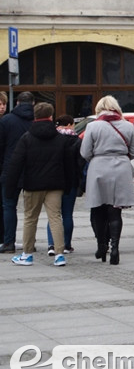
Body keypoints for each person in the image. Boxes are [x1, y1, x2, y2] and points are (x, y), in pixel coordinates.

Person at [7, 103, 78, 267]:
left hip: (32, 185)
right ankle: (59, 255)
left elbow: (16, 164)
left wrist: (11, 188)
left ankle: (27, 254)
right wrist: (68, 185)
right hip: (55, 184)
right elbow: (68, 164)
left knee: (30, 218)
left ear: (35, 117)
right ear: (51, 117)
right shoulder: (61, 139)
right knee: (55, 218)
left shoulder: (26, 138)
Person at [81, 95, 134, 266]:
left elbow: (85, 152)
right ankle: (115, 247)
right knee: (115, 211)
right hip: (120, 167)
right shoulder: (127, 126)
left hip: (98, 167)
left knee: (97, 209)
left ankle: (101, 244)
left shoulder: (92, 126)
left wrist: (98, 156)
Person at [0, 91, 35, 253]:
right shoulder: (37, 121)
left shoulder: (7, 120)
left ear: (17, 103)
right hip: (33, 170)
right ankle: (30, 243)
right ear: (33, 103)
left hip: (10, 170)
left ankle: (8, 243)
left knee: (8, 206)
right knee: (32, 210)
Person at [46, 115, 82, 255]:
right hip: (70, 181)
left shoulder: (52, 139)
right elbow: (80, 163)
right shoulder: (76, 141)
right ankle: (66, 245)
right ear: (69, 124)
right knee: (67, 214)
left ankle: (51, 244)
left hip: (53, 181)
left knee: (53, 215)